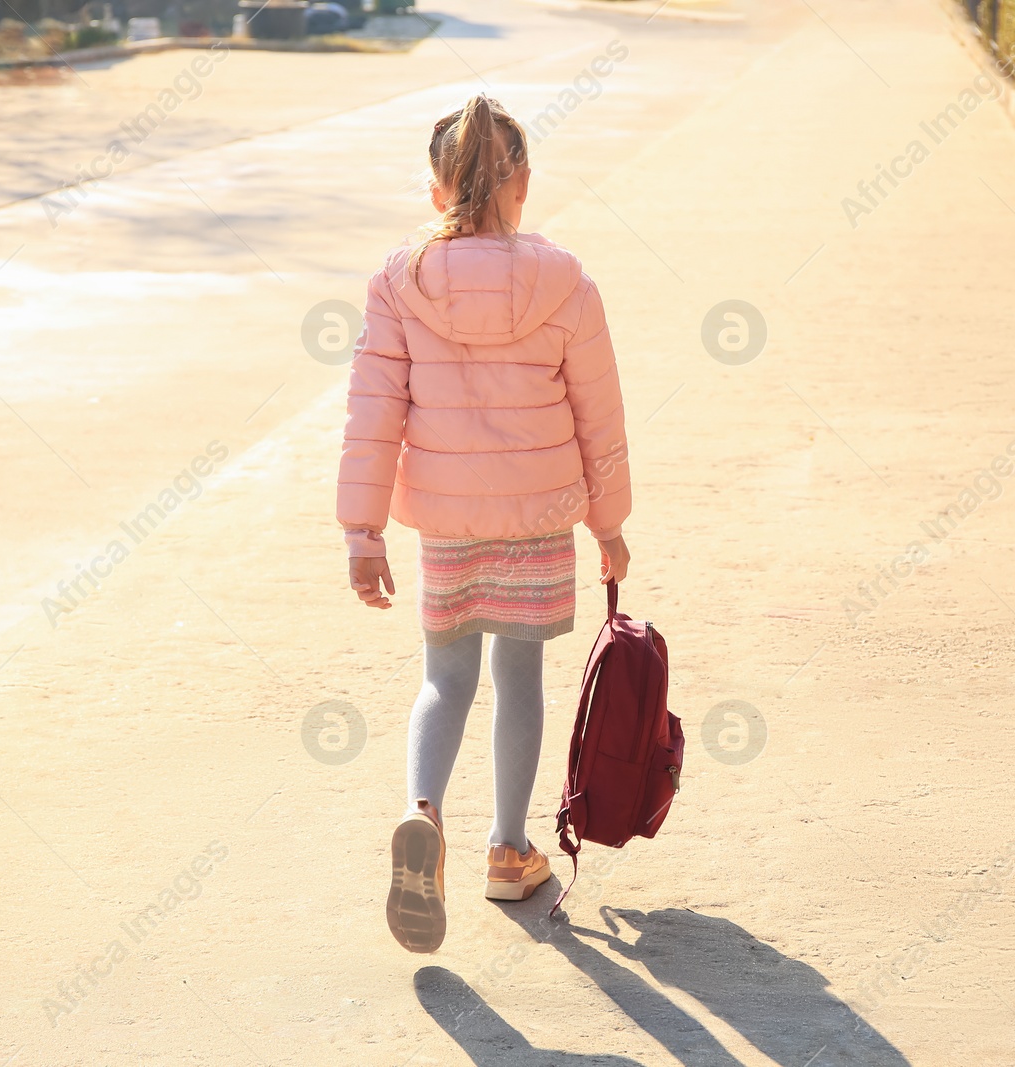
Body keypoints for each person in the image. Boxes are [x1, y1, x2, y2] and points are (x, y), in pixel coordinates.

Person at [338, 94, 632, 954]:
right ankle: (508, 848)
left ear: (437, 191)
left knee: (446, 678)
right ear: (525, 185)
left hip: (446, 521)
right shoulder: (566, 283)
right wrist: (608, 524)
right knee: (520, 678)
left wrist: (363, 532)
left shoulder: (400, 281)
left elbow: (372, 413)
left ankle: (422, 809)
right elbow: (598, 418)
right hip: (538, 514)